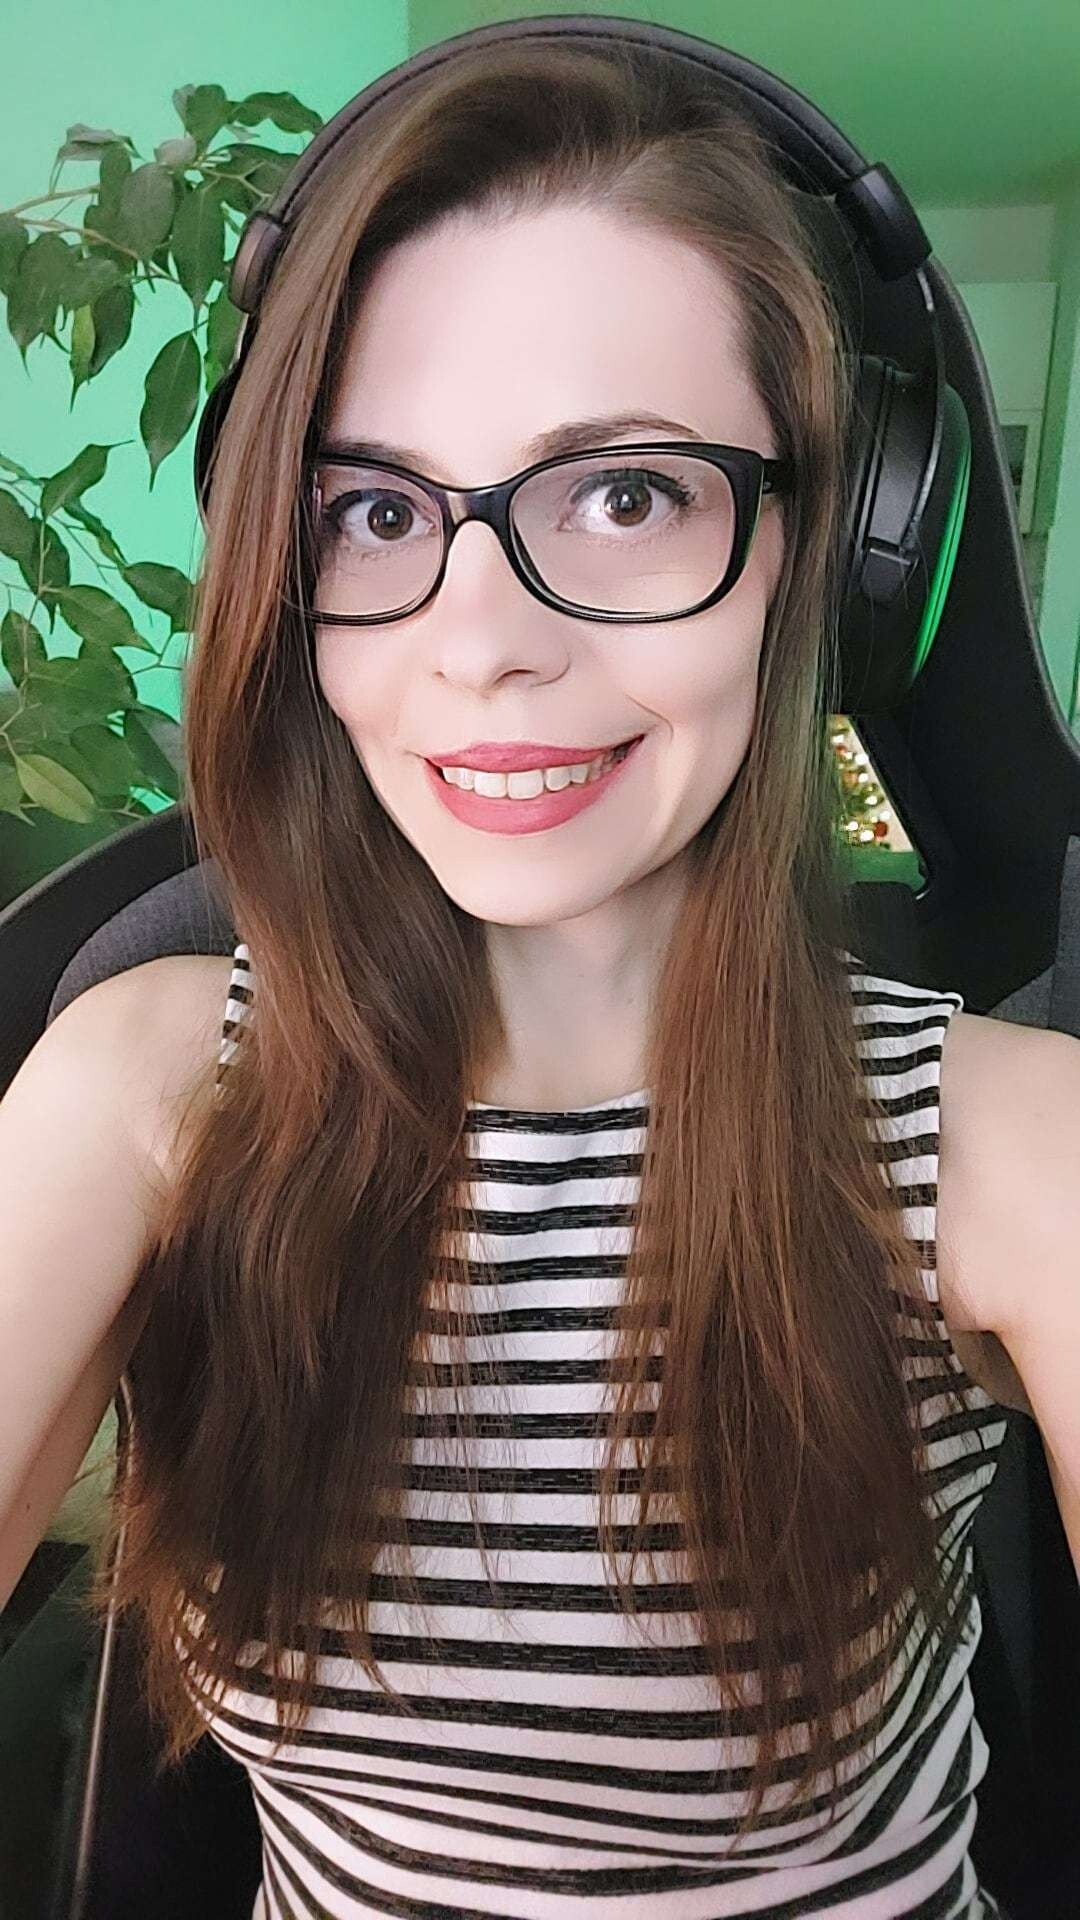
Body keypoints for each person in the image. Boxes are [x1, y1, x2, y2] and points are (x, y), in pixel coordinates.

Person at [12, 34, 1071, 1918]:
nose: (478, 642)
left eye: (627, 495)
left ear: (825, 554)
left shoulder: (1005, 1147)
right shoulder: (152, 1086)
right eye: (377, 511)